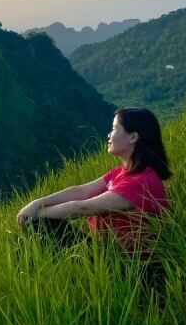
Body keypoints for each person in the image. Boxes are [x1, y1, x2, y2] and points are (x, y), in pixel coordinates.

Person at [15, 108, 172, 285]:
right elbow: (81, 191)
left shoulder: (140, 181)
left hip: (134, 268)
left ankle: (30, 281)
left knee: (41, 224)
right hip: (111, 254)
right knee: (40, 224)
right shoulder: (122, 172)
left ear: (133, 137)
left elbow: (83, 208)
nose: (109, 135)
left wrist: (36, 214)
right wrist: (37, 203)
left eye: (114, 128)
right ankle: (36, 280)